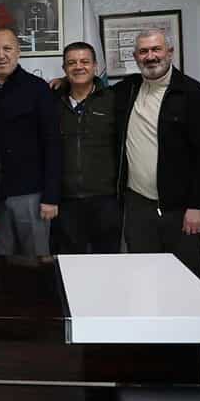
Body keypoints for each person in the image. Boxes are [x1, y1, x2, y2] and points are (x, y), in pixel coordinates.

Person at [115, 29, 200, 277]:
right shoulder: (127, 90)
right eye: (143, 51)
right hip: (138, 207)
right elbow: (89, 88)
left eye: (156, 49)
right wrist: (63, 83)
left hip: (181, 210)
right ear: (135, 57)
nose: (150, 56)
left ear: (170, 52)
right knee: (143, 279)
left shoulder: (193, 93)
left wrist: (198, 206)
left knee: (185, 279)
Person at [0, 27, 61, 256]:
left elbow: (52, 144)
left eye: (7, 48)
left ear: (18, 52)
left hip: (31, 194)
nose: (1, 55)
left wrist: (51, 196)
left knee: (36, 262)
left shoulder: (38, 88)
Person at [53, 42, 120, 254]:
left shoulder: (113, 99)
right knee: (70, 262)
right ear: (64, 68)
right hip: (66, 202)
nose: (78, 67)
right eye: (72, 63)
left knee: (107, 262)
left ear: (95, 66)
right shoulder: (52, 101)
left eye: (84, 61)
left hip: (106, 200)